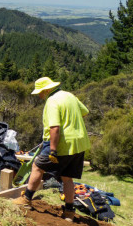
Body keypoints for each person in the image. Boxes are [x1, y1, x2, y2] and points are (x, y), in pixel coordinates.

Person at [13, 77, 90, 222]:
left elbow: (54, 127)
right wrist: (71, 121)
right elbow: (84, 112)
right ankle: (69, 212)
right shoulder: (69, 96)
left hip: (60, 143)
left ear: (47, 90)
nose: (40, 95)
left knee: (37, 166)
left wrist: (53, 150)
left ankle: (27, 199)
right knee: (67, 178)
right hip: (79, 143)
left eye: (41, 92)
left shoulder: (52, 101)